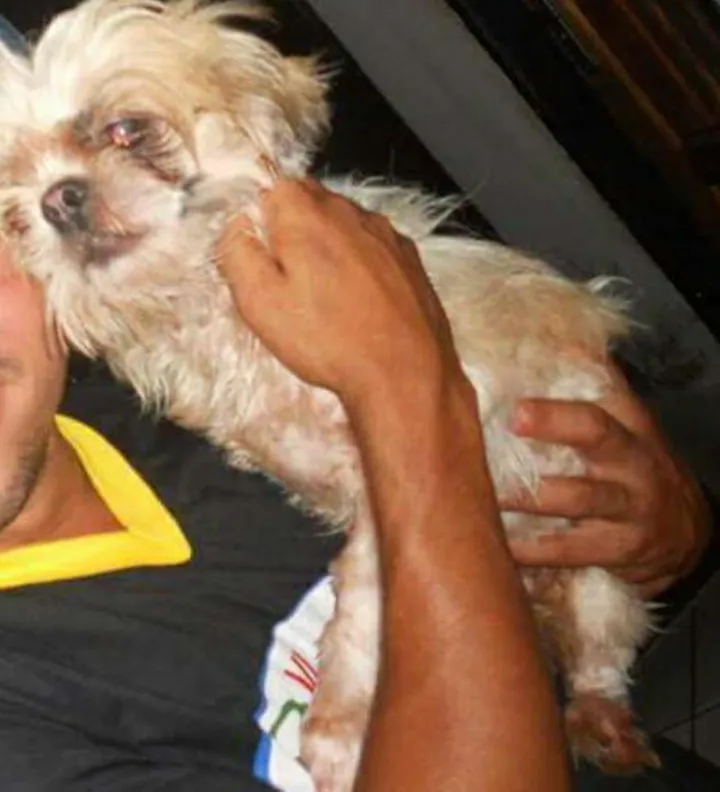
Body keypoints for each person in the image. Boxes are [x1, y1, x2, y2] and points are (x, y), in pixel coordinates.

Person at [0, 14, 715, 791]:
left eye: (127, 133)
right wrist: (406, 393)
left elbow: (620, 495)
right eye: (12, 208)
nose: (61, 200)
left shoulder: (156, 390)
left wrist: (664, 530)